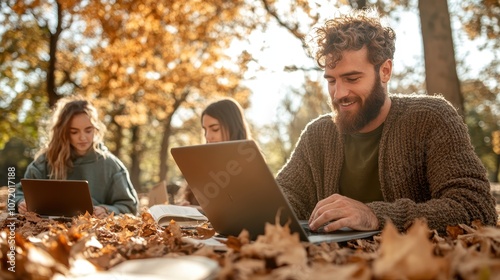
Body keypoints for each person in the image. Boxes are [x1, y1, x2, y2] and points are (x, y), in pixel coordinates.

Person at [276, 8, 497, 234]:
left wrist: (374, 216)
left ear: (385, 71)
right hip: (328, 265)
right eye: (331, 81)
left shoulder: (432, 117)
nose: (339, 93)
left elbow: (476, 208)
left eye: (352, 78)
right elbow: (285, 196)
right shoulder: (318, 134)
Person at [14, 95, 139, 218]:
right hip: (48, 231)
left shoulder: (111, 165)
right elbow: (17, 194)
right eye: (74, 132)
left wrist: (106, 209)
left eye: (88, 130)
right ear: (63, 132)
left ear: (96, 129)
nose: (83, 137)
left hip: (93, 234)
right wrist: (20, 203)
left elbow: (130, 207)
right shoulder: (46, 161)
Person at [179, 98, 252, 205]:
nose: (207, 136)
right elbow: (192, 201)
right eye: (205, 130)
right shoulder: (201, 165)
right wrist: (186, 206)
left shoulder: (251, 167)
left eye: (215, 129)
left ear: (233, 129)